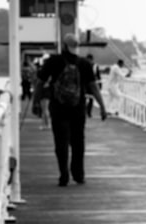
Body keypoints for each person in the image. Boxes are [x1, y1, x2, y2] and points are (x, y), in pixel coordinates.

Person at [33, 34, 108, 186]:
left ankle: (64, 175)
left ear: (64, 45)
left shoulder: (53, 61)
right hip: (78, 108)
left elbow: (40, 82)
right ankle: (78, 174)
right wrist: (102, 106)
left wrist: (35, 102)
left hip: (58, 108)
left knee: (61, 142)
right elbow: (93, 87)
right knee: (78, 142)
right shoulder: (85, 64)